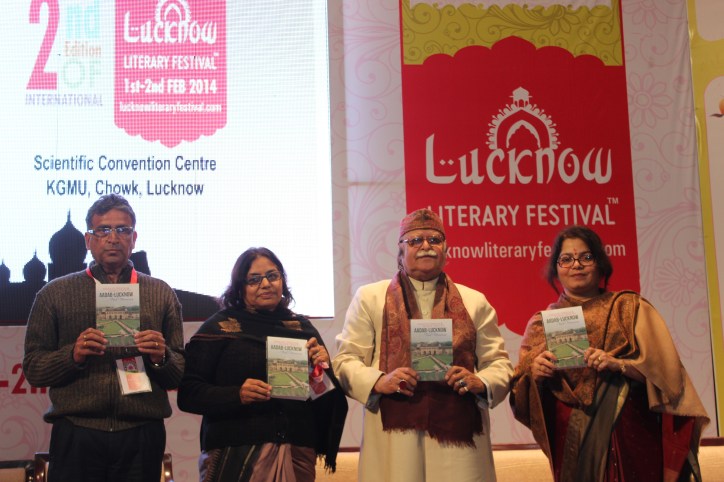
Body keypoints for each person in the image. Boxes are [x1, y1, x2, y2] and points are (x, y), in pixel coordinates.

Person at [509, 225, 709, 482]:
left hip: (634, 438)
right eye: (566, 259)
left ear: (600, 263)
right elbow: (520, 393)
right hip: (573, 444)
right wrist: (535, 375)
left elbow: (668, 379)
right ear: (556, 269)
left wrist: (619, 364)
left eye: (586, 257)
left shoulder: (630, 309)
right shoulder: (541, 325)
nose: (577, 265)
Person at [332, 208, 513, 482]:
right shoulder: (370, 298)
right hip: (395, 436)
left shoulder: (474, 301)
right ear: (400, 252)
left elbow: (498, 363)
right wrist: (379, 381)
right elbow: (345, 360)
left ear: (446, 250)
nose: (426, 246)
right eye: (415, 240)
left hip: (459, 437)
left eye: (434, 239)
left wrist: (482, 381)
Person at [23, 194, 184, 482]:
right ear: (88, 240)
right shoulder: (54, 293)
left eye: (122, 230)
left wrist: (162, 357)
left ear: (134, 238)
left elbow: (180, 373)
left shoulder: (161, 293)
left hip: (141, 433)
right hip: (77, 432)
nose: (113, 238)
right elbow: (33, 368)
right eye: (103, 230)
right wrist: (72, 355)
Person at [177, 247, 348, 482]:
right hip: (235, 452)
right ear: (240, 287)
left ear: (282, 281)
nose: (266, 284)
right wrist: (237, 395)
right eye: (254, 279)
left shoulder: (302, 329)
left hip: (296, 450)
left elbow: (323, 400)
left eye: (273, 276)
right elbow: (188, 394)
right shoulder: (218, 328)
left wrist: (320, 370)